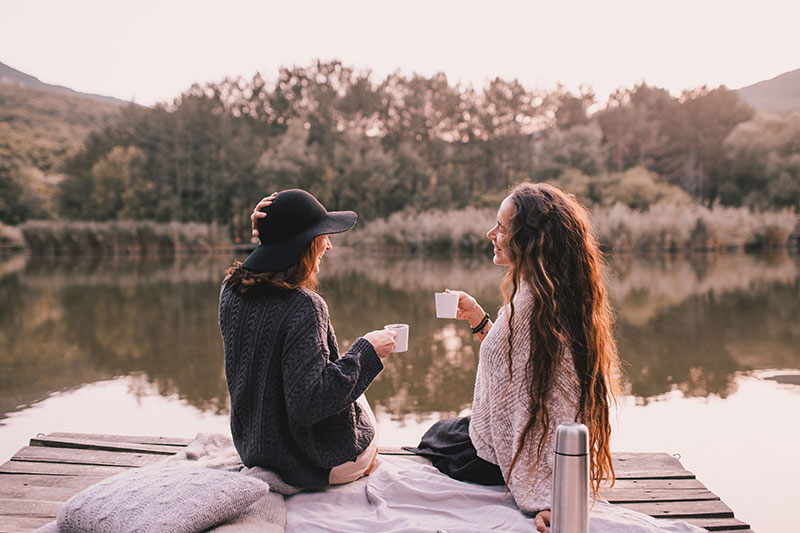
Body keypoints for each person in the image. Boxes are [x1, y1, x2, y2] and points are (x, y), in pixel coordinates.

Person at [443, 182, 621, 532]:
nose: (490, 233)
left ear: (530, 240)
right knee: (452, 431)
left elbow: (559, 407)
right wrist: (478, 318)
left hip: (504, 459)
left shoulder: (535, 304)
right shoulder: (556, 292)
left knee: (439, 438)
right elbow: (516, 358)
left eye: (502, 228)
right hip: (509, 443)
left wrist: (549, 498)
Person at [219, 189, 397, 489]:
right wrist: (368, 351)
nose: (327, 245)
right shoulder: (304, 306)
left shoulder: (230, 291)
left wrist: (269, 234)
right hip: (310, 465)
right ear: (303, 246)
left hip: (253, 450)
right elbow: (309, 405)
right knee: (361, 398)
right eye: (321, 236)